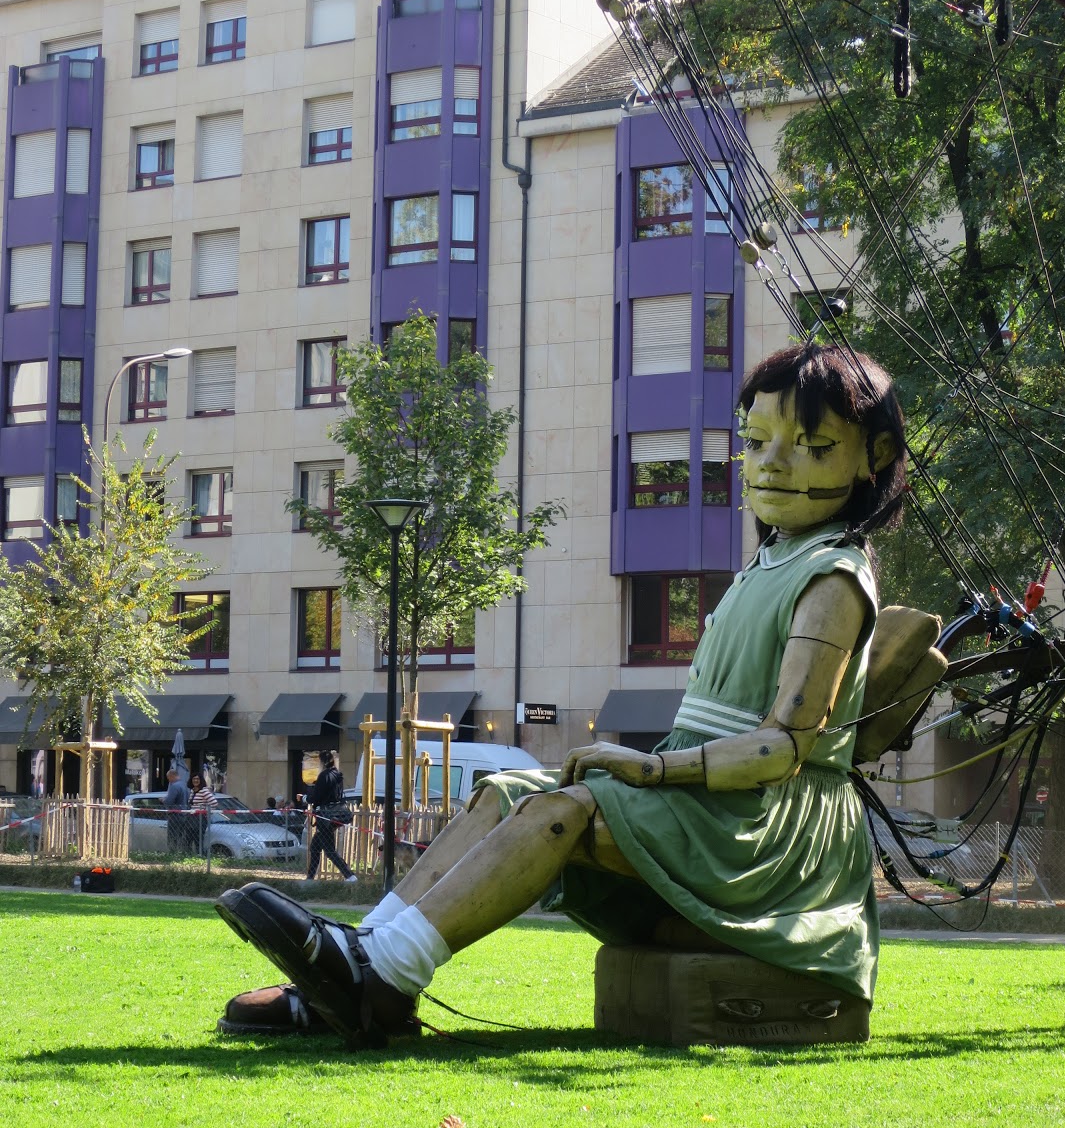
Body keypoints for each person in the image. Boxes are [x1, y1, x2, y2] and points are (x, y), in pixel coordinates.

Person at [216, 340, 907, 1044]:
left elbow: (786, 746)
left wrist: (654, 767)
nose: (773, 463)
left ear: (873, 457)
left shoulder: (831, 578)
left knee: (565, 811)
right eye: (758, 441)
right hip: (710, 805)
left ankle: (385, 974)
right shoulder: (773, 562)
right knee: (506, 790)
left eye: (813, 446)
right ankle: (361, 958)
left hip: (764, 829)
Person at [301, 749, 357, 884]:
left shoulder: (324, 776)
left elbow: (316, 797)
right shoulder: (337, 774)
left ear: (322, 762)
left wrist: (304, 798)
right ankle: (310, 878)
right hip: (333, 814)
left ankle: (349, 875)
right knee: (315, 847)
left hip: (324, 817)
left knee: (329, 850)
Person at [189, 771, 217, 855]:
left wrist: (207, 812)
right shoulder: (192, 791)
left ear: (201, 780)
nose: (195, 780)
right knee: (190, 837)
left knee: (198, 838)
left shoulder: (204, 791)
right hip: (192, 817)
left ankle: (201, 855)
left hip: (200, 818)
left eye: (197, 779)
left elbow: (214, 802)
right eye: (194, 779)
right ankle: (192, 855)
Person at [164, 767, 188, 854]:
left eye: (168, 779)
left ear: (172, 776)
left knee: (173, 836)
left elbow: (169, 801)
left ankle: (173, 853)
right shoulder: (184, 785)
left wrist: (163, 800)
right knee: (181, 836)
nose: (169, 781)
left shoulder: (174, 786)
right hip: (184, 814)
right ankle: (181, 852)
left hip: (174, 815)